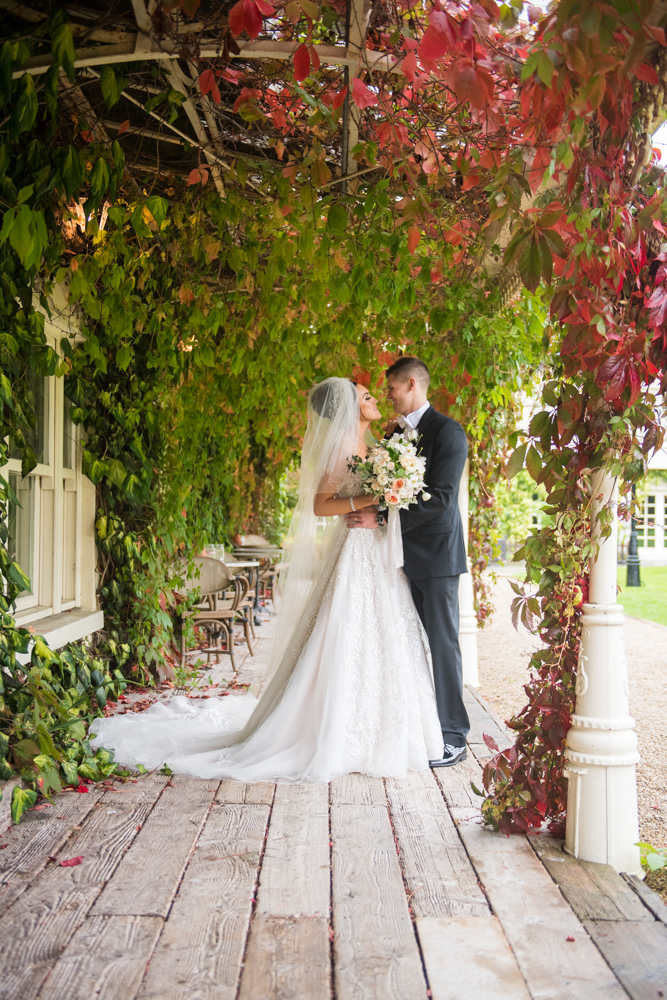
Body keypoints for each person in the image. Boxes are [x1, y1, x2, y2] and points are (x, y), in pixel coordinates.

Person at [90, 377, 444, 782]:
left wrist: (388, 497)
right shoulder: (344, 448)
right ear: (350, 407)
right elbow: (320, 504)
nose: (375, 399)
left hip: (377, 551)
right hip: (355, 551)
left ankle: (383, 727)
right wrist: (374, 497)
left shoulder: (377, 447)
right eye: (366, 396)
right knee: (344, 629)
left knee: (381, 633)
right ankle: (330, 731)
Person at [347, 357, 470, 767]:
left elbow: (441, 499)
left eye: (392, 389)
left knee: (443, 643)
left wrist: (381, 517)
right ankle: (422, 726)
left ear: (412, 384)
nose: (388, 396)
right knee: (410, 645)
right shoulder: (395, 433)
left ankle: (454, 734)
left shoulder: (448, 433)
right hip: (400, 556)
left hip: (436, 558)